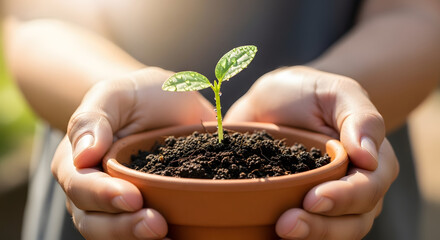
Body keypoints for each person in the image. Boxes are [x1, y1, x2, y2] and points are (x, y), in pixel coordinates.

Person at [3, 0, 440, 239]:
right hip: (109, 204)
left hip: (335, 197)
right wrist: (107, 100)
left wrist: (344, 100)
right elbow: (36, 17)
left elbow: (419, 12)